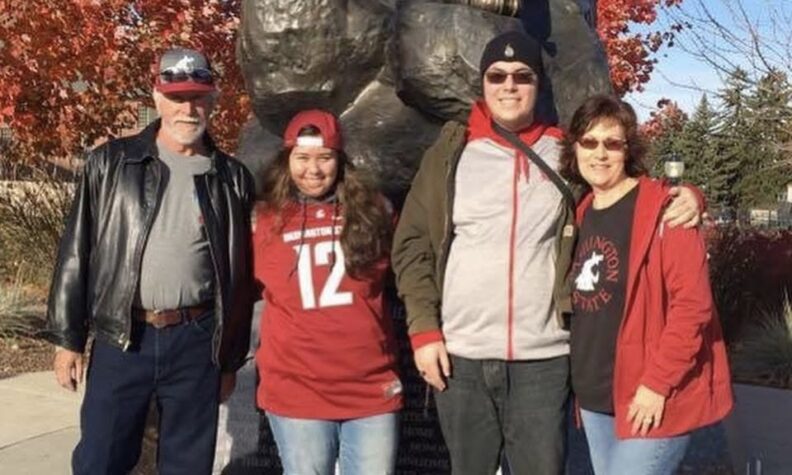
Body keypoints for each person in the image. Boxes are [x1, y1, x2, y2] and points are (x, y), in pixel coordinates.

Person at [391, 31, 703, 475]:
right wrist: (423, 331)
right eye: (497, 75)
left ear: (538, 85)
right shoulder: (450, 155)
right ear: (482, 84)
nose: (509, 85)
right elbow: (412, 245)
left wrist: (688, 195)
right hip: (462, 357)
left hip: (545, 360)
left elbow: (628, 187)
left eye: (523, 76)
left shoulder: (566, 154)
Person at [46, 47, 255, 474]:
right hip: (123, 339)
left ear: (213, 100)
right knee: (100, 460)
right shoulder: (111, 163)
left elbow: (240, 277)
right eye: (177, 98)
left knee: (188, 464)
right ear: (157, 99)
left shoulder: (232, 179)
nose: (187, 109)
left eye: (198, 97)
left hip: (197, 343)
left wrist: (229, 357)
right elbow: (76, 251)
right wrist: (68, 338)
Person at [558, 94, 733, 475]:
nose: (600, 153)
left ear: (628, 150)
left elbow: (693, 307)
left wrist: (657, 385)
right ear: (575, 149)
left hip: (649, 393)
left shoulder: (664, 210)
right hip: (595, 396)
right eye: (589, 142)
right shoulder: (582, 211)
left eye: (612, 143)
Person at [253, 109, 402, 474]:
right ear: (287, 160)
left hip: (370, 389)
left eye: (324, 158)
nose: (313, 170)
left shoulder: (375, 213)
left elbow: (408, 275)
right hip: (297, 390)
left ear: (340, 160)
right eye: (302, 158)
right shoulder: (265, 221)